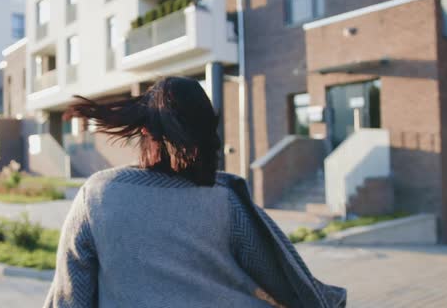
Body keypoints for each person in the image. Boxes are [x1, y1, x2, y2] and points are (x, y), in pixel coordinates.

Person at [43, 77, 346, 308]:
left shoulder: (97, 196)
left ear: (145, 131)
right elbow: (290, 283)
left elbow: (68, 299)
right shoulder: (225, 201)